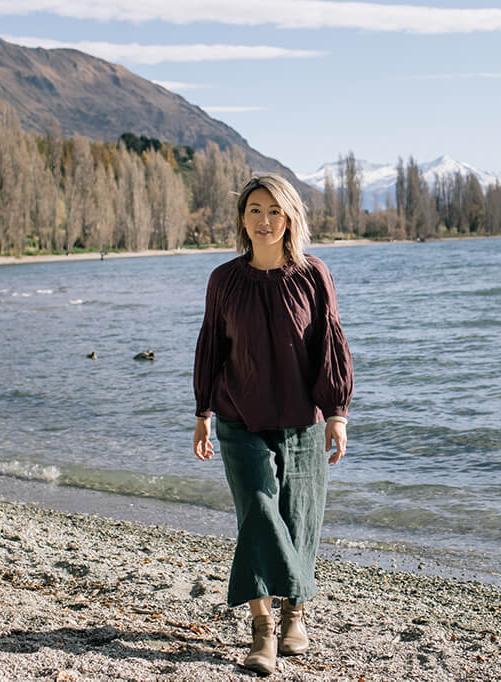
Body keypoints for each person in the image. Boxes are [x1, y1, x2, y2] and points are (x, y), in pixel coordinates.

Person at [193, 175, 353, 676]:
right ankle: (262, 629)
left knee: (301, 518)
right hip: (240, 417)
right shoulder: (224, 279)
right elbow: (211, 347)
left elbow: (330, 341)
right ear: (242, 219)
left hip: (304, 420)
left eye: (275, 211)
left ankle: (294, 617)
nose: (265, 221)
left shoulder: (313, 275)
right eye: (255, 210)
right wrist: (202, 413)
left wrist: (337, 412)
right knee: (259, 512)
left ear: (290, 219)